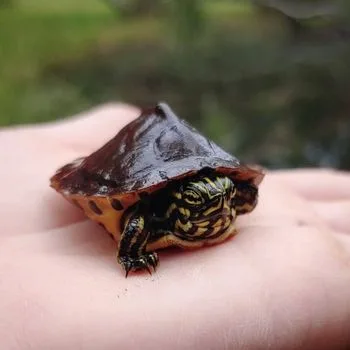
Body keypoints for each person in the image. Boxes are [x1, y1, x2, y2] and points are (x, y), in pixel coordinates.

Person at [0, 103, 349, 350]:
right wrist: (131, 251)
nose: (222, 201)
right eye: (202, 200)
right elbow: (137, 216)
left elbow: (244, 194)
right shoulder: (150, 215)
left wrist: (231, 192)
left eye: (226, 195)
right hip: (130, 173)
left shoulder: (226, 196)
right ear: (180, 206)